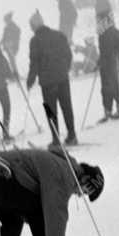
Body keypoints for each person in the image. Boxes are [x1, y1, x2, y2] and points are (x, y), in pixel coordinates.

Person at [26, 11, 77, 145]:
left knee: (51, 111)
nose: (31, 28)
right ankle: (72, 135)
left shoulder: (35, 41)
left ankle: (56, 139)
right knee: (67, 107)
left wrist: (30, 79)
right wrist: (64, 69)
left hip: (48, 82)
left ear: (34, 25)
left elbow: (34, 62)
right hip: (62, 78)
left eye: (31, 25)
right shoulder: (59, 35)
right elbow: (68, 55)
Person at [97, 13, 119, 121]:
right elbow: (103, 51)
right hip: (105, 65)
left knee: (116, 86)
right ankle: (107, 111)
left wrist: (117, 51)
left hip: (114, 63)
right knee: (105, 89)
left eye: (100, 21)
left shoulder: (113, 32)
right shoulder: (101, 34)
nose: (98, 24)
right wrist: (99, 60)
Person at [1, 12, 21, 79]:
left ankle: (15, 74)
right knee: (11, 61)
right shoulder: (7, 27)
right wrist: (0, 43)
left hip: (12, 47)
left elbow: (16, 35)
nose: (5, 21)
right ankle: (14, 74)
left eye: (6, 20)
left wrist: (12, 42)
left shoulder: (13, 27)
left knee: (12, 61)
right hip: (8, 46)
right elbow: (4, 37)